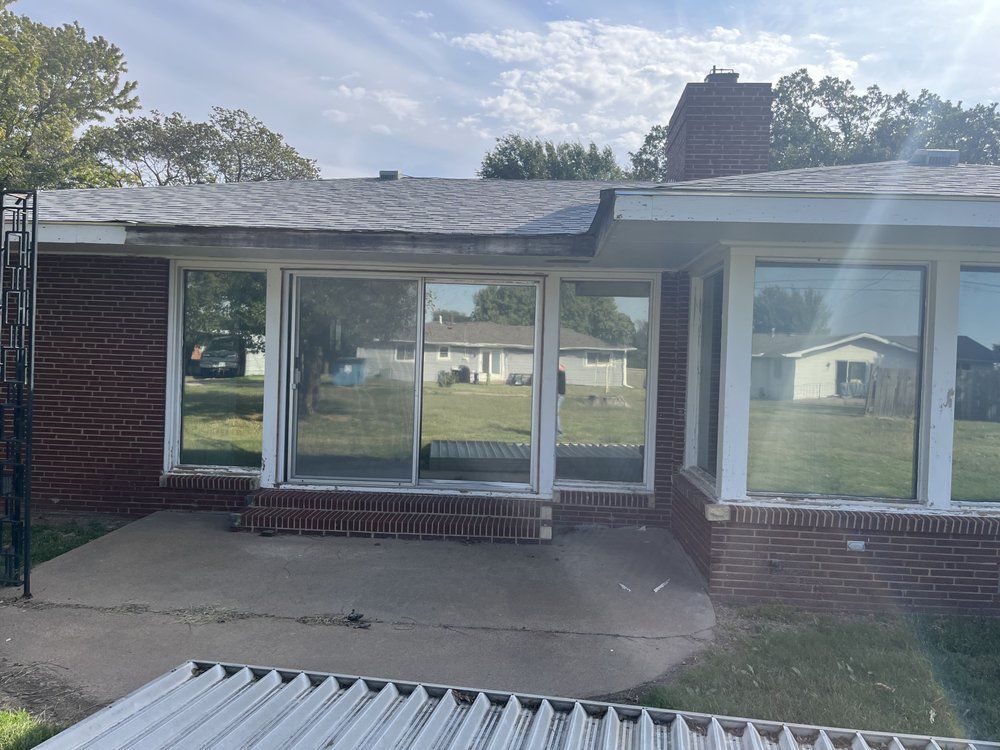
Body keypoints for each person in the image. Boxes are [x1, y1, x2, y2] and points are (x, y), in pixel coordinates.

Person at [556, 362, 566, 435]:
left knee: (554, 413)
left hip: (559, 395)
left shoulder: (561, 373)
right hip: (558, 395)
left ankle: (559, 431)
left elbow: (560, 368)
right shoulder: (559, 374)